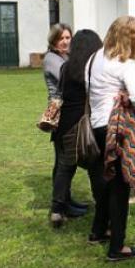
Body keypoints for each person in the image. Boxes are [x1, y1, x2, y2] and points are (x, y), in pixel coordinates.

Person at [87, 16, 135, 261]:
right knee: (119, 188)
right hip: (116, 128)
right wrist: (125, 95)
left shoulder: (94, 58)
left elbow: (87, 87)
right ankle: (117, 247)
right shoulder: (125, 63)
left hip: (96, 125)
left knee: (104, 182)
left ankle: (97, 231)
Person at [49, 29, 102, 228]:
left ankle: (57, 209)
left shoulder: (66, 67)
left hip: (63, 124)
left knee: (64, 168)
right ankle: (101, 205)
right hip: (85, 123)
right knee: (95, 167)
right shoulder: (93, 68)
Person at [43, 23, 88, 220]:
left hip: (70, 110)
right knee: (65, 161)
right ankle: (59, 206)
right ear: (53, 41)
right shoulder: (52, 59)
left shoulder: (67, 57)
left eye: (68, 38)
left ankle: (66, 200)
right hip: (62, 113)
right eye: (61, 38)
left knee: (63, 161)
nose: (65, 42)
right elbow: (68, 76)